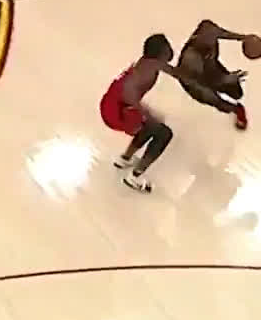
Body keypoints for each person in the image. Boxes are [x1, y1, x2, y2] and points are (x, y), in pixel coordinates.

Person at [101, 34, 217, 193]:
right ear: (162, 53)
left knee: (150, 126)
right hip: (118, 111)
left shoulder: (150, 62)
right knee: (164, 133)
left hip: (111, 104)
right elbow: (128, 92)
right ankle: (135, 176)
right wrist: (146, 113)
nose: (171, 50)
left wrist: (203, 70)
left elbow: (179, 74)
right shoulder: (148, 70)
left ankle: (125, 159)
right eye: (168, 48)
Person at [176, 20, 251, 129]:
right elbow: (202, 81)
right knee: (211, 96)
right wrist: (225, 79)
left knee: (236, 92)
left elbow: (224, 33)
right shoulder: (191, 57)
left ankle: (225, 86)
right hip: (194, 82)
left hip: (210, 67)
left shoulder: (210, 32)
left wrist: (244, 38)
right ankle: (236, 109)